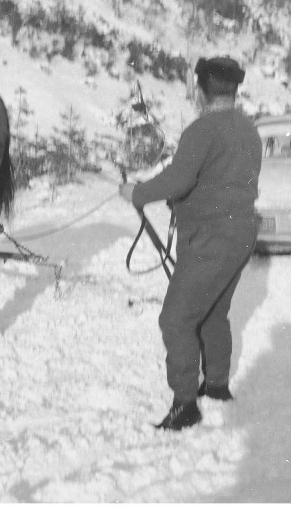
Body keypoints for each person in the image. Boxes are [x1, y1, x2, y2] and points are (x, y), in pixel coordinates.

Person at [120, 56, 262, 430]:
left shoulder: (201, 130)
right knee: (214, 311)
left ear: (200, 91)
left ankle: (185, 405)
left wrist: (137, 192)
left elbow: (179, 180)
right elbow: (221, 181)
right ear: (233, 90)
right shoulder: (249, 130)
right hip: (242, 233)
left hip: (211, 238)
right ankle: (215, 385)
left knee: (176, 318)